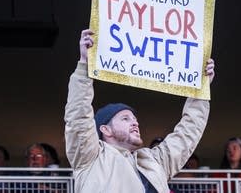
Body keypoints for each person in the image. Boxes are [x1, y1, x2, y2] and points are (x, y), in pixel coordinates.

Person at [64, 29, 215, 193]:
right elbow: (78, 117)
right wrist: (84, 64)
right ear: (105, 129)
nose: (135, 122)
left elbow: (188, 133)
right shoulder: (90, 157)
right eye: (125, 118)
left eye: (134, 119)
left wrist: (201, 91)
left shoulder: (154, 161)